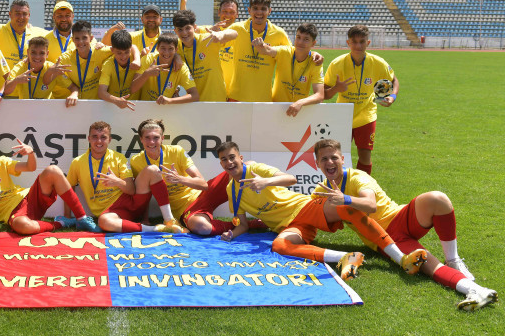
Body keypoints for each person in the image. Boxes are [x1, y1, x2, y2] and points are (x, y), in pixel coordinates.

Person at [184, 141, 428, 281]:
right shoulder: (231, 190)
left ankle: (401, 258)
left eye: (232, 157)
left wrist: (265, 182)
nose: (229, 163)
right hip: (292, 227)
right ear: (220, 163)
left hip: (304, 208)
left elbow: (290, 179)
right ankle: (345, 257)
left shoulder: (256, 169)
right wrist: (231, 235)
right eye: (224, 160)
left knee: (345, 206)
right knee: (279, 246)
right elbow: (244, 224)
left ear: (240, 157)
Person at [312, 139, 497, 311]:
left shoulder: (357, 177)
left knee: (438, 199)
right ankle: (476, 290)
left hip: (399, 216)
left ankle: (453, 260)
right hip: (386, 240)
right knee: (426, 263)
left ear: (342, 159)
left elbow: (371, 204)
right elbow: (307, 216)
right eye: (324, 159)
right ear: (317, 164)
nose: (330, 162)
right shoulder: (320, 191)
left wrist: (343, 199)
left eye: (334, 157)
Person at [0, 131, 99, 234]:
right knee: (22, 226)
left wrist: (31, 153)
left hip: (28, 198)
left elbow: (30, 167)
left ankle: (82, 218)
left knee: (53, 170)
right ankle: (62, 222)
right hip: (14, 214)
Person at [64, 122, 171, 233]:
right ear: (88, 139)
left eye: (103, 137)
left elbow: (131, 190)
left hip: (131, 203)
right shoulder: (77, 162)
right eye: (95, 137)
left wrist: (117, 181)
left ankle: (170, 220)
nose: (99, 141)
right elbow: (69, 189)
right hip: (111, 213)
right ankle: (156, 229)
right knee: (104, 221)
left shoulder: (119, 158)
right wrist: (67, 216)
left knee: (152, 169)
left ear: (109, 140)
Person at [323, 24, 399, 175]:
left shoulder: (378, 63)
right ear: (348, 43)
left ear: (368, 43)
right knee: (335, 155)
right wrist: (336, 89)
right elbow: (324, 94)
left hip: (366, 114)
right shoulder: (337, 64)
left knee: (365, 155)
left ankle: (362, 188)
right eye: (354, 41)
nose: (358, 45)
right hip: (343, 114)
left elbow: (394, 80)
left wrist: (392, 96)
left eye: (362, 41)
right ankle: (338, 187)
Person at [130, 119, 207, 232]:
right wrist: (145, 219)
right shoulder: (136, 161)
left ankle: (237, 226)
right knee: (202, 228)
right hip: (177, 211)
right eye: (147, 138)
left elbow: (203, 183)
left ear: (162, 138)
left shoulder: (176, 151)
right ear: (141, 139)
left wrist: (179, 179)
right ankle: (170, 221)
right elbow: (143, 193)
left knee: (202, 228)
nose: (151, 142)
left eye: (156, 138)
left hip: (197, 200)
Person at [227, 0, 292, 102]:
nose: (259, 12)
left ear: (269, 11)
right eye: (255, 8)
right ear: (249, 10)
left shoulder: (279, 33)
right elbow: (218, 39)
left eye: (263, 9)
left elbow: (293, 53)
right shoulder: (237, 28)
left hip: (263, 98)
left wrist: (313, 54)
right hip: (237, 95)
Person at [255, 23, 325, 117]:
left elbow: (320, 95)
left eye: (306, 39)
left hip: (298, 111)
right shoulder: (285, 52)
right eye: (298, 37)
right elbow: (267, 50)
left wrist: (300, 103)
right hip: (276, 107)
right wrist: (260, 45)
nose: (300, 42)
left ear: (313, 43)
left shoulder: (315, 62)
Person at [43, 21, 116, 107]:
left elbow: (126, 48)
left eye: (84, 38)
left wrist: (136, 60)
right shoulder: (65, 58)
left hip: (98, 106)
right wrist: (50, 71)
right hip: (76, 106)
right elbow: (46, 82)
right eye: (77, 38)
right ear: (73, 39)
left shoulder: (100, 51)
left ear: (91, 38)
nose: (80, 42)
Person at [172, 10, 232, 102]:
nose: (184, 33)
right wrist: (176, 55)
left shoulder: (207, 39)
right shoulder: (176, 47)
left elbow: (235, 34)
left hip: (216, 99)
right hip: (193, 101)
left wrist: (221, 34)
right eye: (180, 29)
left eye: (188, 28)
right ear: (175, 31)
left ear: (195, 27)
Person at [130, 33, 198, 104]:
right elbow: (132, 89)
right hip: (146, 109)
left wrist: (170, 100)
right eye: (163, 48)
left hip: (167, 109)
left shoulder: (181, 67)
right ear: (157, 48)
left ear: (176, 49)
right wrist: (146, 74)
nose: (166, 52)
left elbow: (195, 95)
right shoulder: (148, 60)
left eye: (170, 49)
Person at [0, 0, 47, 69]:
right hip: (4, 79)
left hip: (29, 79)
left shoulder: (38, 33)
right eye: (17, 13)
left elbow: (59, 33)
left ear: (29, 16)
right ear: (10, 14)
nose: (21, 17)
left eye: (24, 14)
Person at [97, 29, 138, 110]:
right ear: (112, 50)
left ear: (130, 48)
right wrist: (116, 100)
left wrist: (137, 59)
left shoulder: (136, 60)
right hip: (113, 107)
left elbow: (135, 47)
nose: (123, 57)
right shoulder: (107, 64)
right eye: (119, 53)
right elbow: (101, 92)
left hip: (135, 107)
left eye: (126, 52)